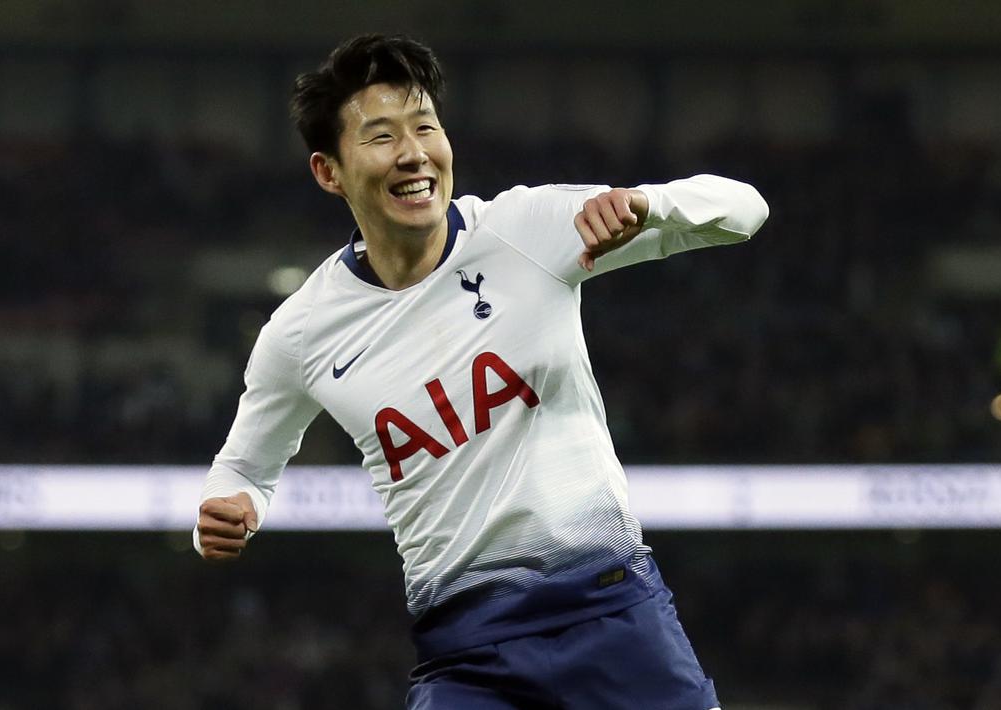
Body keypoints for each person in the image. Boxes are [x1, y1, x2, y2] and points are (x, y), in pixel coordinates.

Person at [194, 33, 768, 710]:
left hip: (611, 615)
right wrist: (231, 508)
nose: (413, 153)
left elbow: (744, 210)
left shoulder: (527, 228)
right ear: (328, 171)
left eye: (425, 127)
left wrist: (650, 208)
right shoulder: (300, 333)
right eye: (381, 137)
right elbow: (244, 470)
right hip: (467, 655)